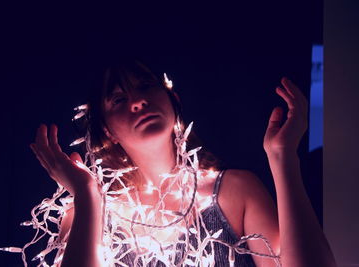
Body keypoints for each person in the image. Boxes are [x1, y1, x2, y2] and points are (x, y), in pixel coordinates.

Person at [30, 59, 336, 266]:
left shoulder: (234, 192)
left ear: (173, 100)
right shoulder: (84, 215)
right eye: (119, 100)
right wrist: (87, 196)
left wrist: (283, 159)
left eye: (145, 86)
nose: (138, 102)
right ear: (107, 131)